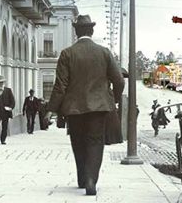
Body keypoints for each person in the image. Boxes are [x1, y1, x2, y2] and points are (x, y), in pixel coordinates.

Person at [45, 15, 124, 196]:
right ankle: (91, 180)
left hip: (74, 109)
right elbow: (119, 80)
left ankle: (82, 177)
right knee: (95, 142)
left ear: (76, 32)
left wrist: (51, 109)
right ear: (92, 31)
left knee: (78, 142)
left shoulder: (67, 53)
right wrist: (114, 99)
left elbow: (60, 85)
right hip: (99, 108)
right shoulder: (104, 52)